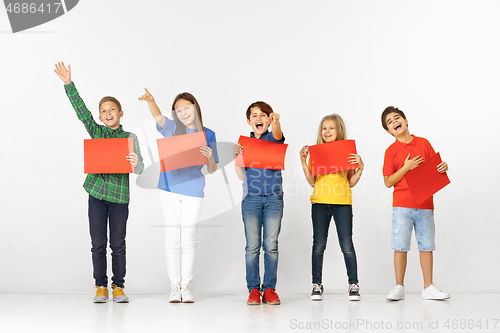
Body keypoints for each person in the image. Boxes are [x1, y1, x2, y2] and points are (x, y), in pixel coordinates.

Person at [54, 62, 144, 303]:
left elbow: (141, 168)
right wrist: (68, 84)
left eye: (112, 109)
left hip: (119, 199)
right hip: (96, 195)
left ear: (121, 113)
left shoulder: (129, 138)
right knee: (98, 244)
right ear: (100, 115)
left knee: (118, 245)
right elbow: (82, 112)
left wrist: (136, 162)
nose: (107, 113)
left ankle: (118, 287)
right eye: (103, 110)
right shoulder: (97, 132)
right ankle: (100, 287)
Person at [139, 88, 218, 303]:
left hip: (194, 191)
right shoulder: (173, 129)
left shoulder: (208, 134)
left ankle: (186, 286)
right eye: (178, 110)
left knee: (189, 240)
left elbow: (212, 170)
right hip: (169, 190)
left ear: (195, 108)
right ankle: (175, 287)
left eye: (187, 108)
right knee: (172, 240)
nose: (183, 113)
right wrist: (151, 101)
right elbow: (157, 117)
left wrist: (210, 157)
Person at [381, 106, 450, 301]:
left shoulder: (424, 143)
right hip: (402, 205)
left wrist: (443, 167)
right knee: (400, 246)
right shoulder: (391, 151)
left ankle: (428, 286)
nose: (394, 122)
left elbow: (434, 169)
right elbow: (388, 182)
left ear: (406, 120)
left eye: (397, 118)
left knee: (426, 245)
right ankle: (399, 286)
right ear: (388, 131)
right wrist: (406, 167)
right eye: (389, 122)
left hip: (425, 203)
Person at [299, 114, 363, 301]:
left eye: (331, 128)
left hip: (342, 203)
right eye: (324, 128)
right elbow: (312, 181)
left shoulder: (346, 153)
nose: (327, 131)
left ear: (338, 131)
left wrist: (360, 168)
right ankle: (316, 284)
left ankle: (353, 284)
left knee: (347, 245)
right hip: (320, 203)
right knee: (319, 245)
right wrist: (304, 162)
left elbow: (350, 182)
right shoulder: (317, 154)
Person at [233, 101, 284, 305]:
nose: (259, 118)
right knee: (252, 247)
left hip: (273, 197)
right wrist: (237, 156)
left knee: (271, 246)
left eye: (263, 115)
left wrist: (277, 122)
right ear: (248, 121)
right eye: (254, 116)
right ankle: (253, 289)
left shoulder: (272, 137)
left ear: (269, 119)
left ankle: (269, 289)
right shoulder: (245, 144)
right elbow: (241, 176)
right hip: (251, 199)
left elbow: (279, 134)